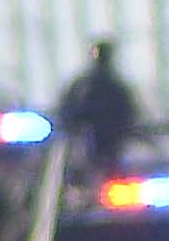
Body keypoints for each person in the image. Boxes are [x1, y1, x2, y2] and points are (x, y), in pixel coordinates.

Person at [55, 39, 141, 170]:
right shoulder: (113, 87)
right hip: (92, 143)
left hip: (104, 144)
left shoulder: (84, 86)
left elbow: (67, 114)